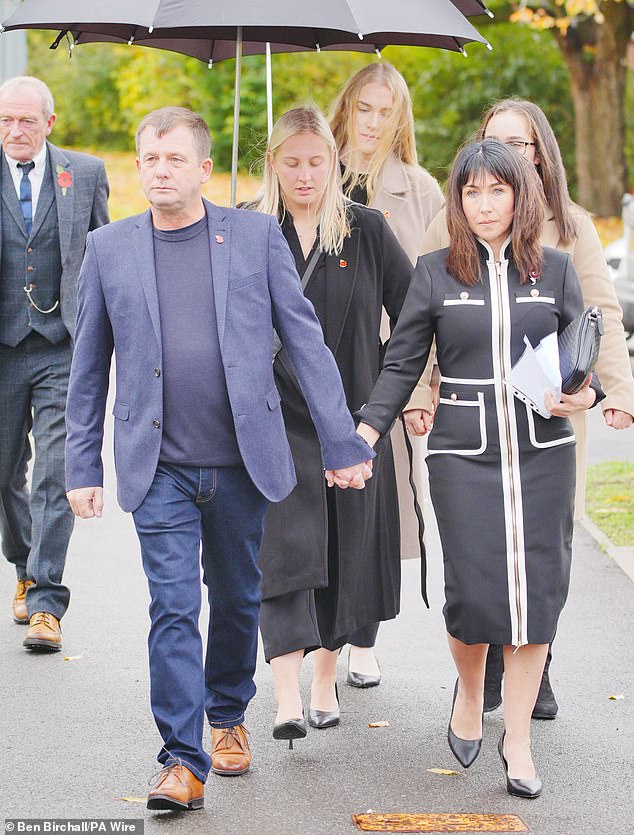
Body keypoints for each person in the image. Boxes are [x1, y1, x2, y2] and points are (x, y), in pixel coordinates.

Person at [64, 106, 375, 812]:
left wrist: (341, 440)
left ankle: (228, 711)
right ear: (137, 166)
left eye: (175, 159)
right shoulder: (109, 249)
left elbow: (305, 343)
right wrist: (82, 463)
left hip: (242, 461)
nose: (161, 170)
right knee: (173, 606)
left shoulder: (255, 237)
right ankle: (180, 756)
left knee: (237, 598)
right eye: (150, 159)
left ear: (205, 169)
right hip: (159, 465)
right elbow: (88, 369)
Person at [357, 139, 604, 798]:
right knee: (473, 592)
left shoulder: (553, 270)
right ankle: (470, 693)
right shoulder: (435, 272)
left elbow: (584, 361)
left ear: (521, 196)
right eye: (473, 192)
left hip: (543, 451)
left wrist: (582, 395)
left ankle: (516, 737)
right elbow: (403, 362)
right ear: (458, 201)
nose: (485, 203)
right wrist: (364, 430)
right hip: (463, 454)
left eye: (498, 190)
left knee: (536, 596)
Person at [414, 98, 634, 718]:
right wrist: (420, 393)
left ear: (541, 154)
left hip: (547, 416)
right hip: (474, 420)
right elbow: (422, 315)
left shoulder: (572, 227)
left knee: (540, 543)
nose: (508, 155)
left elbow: (600, 315)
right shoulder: (453, 220)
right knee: (479, 543)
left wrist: (617, 389)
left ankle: (535, 669)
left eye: (520, 145)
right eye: (495, 142)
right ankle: (481, 667)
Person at [249, 105, 413, 745]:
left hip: (350, 425)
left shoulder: (366, 231)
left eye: (317, 161)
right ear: (274, 165)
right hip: (277, 423)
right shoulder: (250, 230)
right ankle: (286, 697)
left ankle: (324, 678)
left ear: (333, 162)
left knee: (344, 557)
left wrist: (383, 409)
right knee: (284, 552)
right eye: (291, 162)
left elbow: (412, 322)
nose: (305, 173)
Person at [329, 61, 443, 686]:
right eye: (363, 108)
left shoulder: (421, 190)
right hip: (314, 363)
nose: (372, 122)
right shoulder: (309, 167)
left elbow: (432, 301)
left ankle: (364, 635)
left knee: (379, 504)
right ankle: (321, 630)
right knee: (314, 503)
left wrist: (422, 387)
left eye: (385, 111)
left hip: (386, 369)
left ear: (399, 119)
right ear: (345, 108)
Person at [0, 76, 109, 651]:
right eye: (5, 121)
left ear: (49, 122)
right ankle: (22, 565)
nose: (15, 132)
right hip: (2, 347)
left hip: (62, 345)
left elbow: (104, 256)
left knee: (54, 474)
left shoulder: (84, 174)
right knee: (4, 475)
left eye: (26, 121)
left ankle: (46, 601)